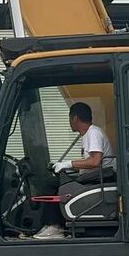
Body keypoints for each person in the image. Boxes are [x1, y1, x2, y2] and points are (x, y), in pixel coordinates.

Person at [33, 102, 116, 240]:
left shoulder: (93, 133)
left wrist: (68, 164)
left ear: (75, 118)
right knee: (60, 179)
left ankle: (54, 226)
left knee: (50, 185)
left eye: (69, 118)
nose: (69, 122)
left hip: (100, 177)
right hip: (94, 175)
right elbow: (89, 162)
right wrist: (65, 166)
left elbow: (96, 161)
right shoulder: (89, 134)